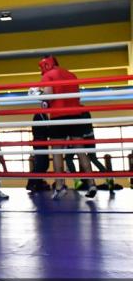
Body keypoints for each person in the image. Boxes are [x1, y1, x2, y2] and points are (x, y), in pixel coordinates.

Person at [38, 55, 95, 199]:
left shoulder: (48, 75)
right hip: (76, 115)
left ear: (44, 65)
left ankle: (59, 186)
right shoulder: (71, 74)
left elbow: (48, 95)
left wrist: (39, 95)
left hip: (59, 116)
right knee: (81, 150)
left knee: (57, 151)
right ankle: (91, 183)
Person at [26, 89, 50, 193]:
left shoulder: (44, 116)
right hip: (39, 142)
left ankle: (38, 182)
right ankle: (31, 184)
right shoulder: (38, 115)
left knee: (44, 164)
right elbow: (39, 130)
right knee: (40, 163)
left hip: (43, 142)